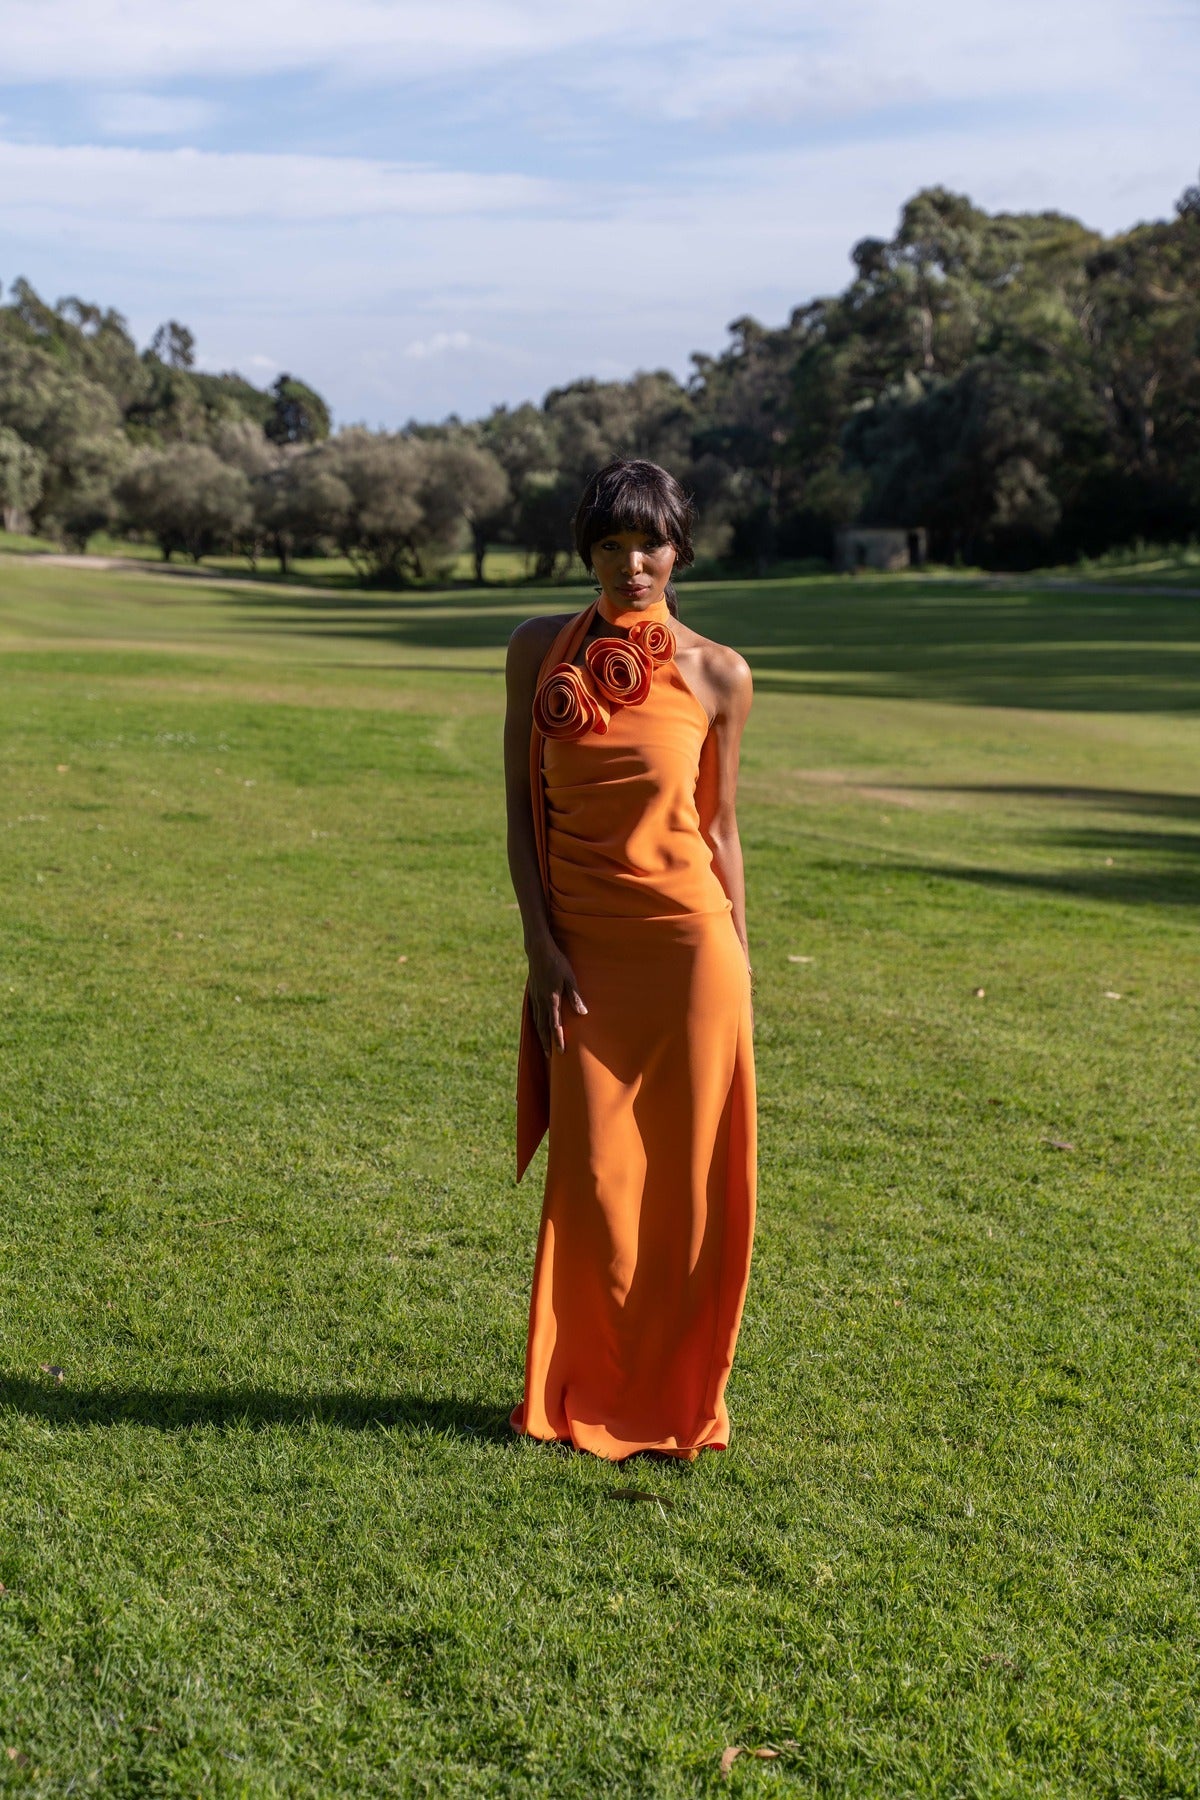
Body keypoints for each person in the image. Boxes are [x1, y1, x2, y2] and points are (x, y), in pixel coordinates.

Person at [504, 458, 756, 1460]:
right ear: (588, 555)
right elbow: (521, 813)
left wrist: (744, 960)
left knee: (688, 1187)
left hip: (694, 955)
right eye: (609, 546)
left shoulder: (718, 673)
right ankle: (578, 1391)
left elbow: (723, 827)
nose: (630, 563)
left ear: (679, 550)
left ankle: (676, 1398)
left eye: (647, 543)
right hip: (583, 956)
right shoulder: (537, 652)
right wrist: (540, 945)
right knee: (594, 1182)